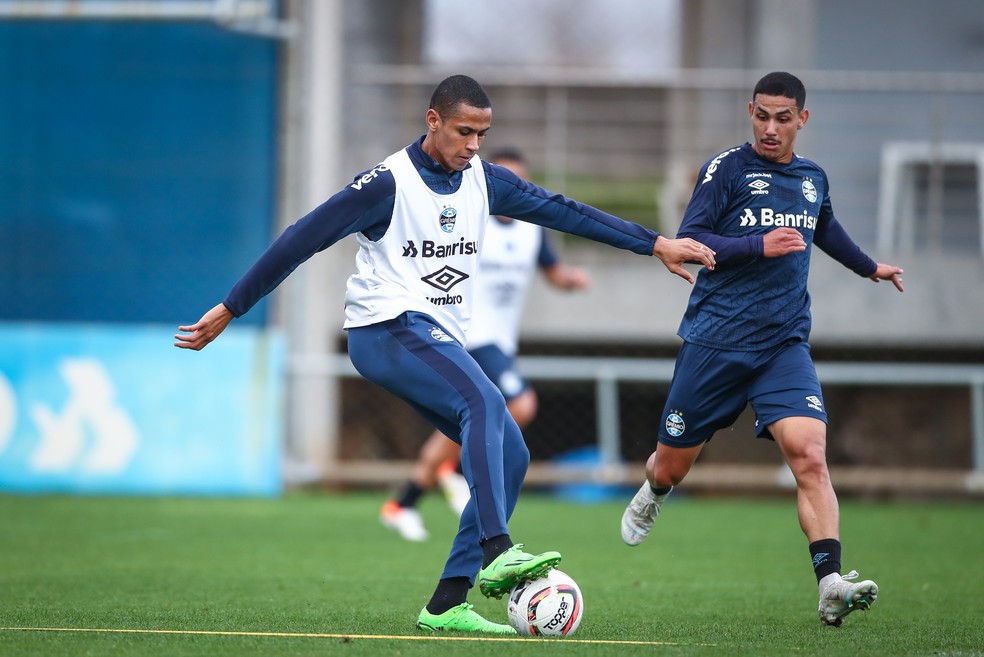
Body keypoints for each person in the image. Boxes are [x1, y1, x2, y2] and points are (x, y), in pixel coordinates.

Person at [175, 74, 716, 635]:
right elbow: (300, 238)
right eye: (464, 131)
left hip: (430, 333)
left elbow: (563, 210)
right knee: (484, 403)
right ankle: (499, 550)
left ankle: (446, 604)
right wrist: (231, 307)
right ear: (432, 121)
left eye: (482, 133)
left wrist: (653, 242)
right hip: (385, 328)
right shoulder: (386, 184)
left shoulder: (483, 179)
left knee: (512, 454)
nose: (474, 144)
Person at [619, 71, 903, 627]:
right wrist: (757, 244)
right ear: (751, 111)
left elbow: (824, 227)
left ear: (802, 118)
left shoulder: (812, 177)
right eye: (762, 116)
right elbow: (691, 238)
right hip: (715, 342)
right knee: (672, 466)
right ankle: (654, 489)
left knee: (810, 455)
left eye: (783, 117)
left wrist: (869, 267)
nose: (771, 128)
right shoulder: (726, 169)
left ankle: (829, 582)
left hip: (783, 344)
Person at [381, 148, 590, 542]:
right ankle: (458, 474)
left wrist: (571, 280)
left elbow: (553, 272)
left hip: (501, 341)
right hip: (469, 335)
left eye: (516, 184)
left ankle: (404, 502)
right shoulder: (468, 220)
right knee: (520, 404)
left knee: (467, 419)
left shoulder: (532, 228)